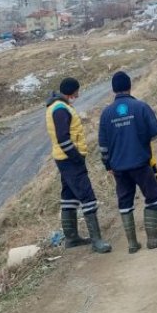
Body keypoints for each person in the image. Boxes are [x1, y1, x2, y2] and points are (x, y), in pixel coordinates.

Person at [98, 71, 157, 252]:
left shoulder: (106, 114)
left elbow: (103, 145)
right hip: (140, 163)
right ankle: (153, 238)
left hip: (118, 167)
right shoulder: (140, 107)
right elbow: (154, 132)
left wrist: (108, 165)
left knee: (125, 202)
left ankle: (132, 244)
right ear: (130, 86)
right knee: (153, 196)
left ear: (113, 90)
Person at [46, 77, 111, 253]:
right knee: (87, 196)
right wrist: (76, 157)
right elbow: (63, 138)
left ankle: (72, 238)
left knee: (69, 196)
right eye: (77, 91)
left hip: (63, 159)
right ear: (71, 92)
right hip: (69, 160)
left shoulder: (57, 106)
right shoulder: (60, 109)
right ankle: (97, 241)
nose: (78, 94)